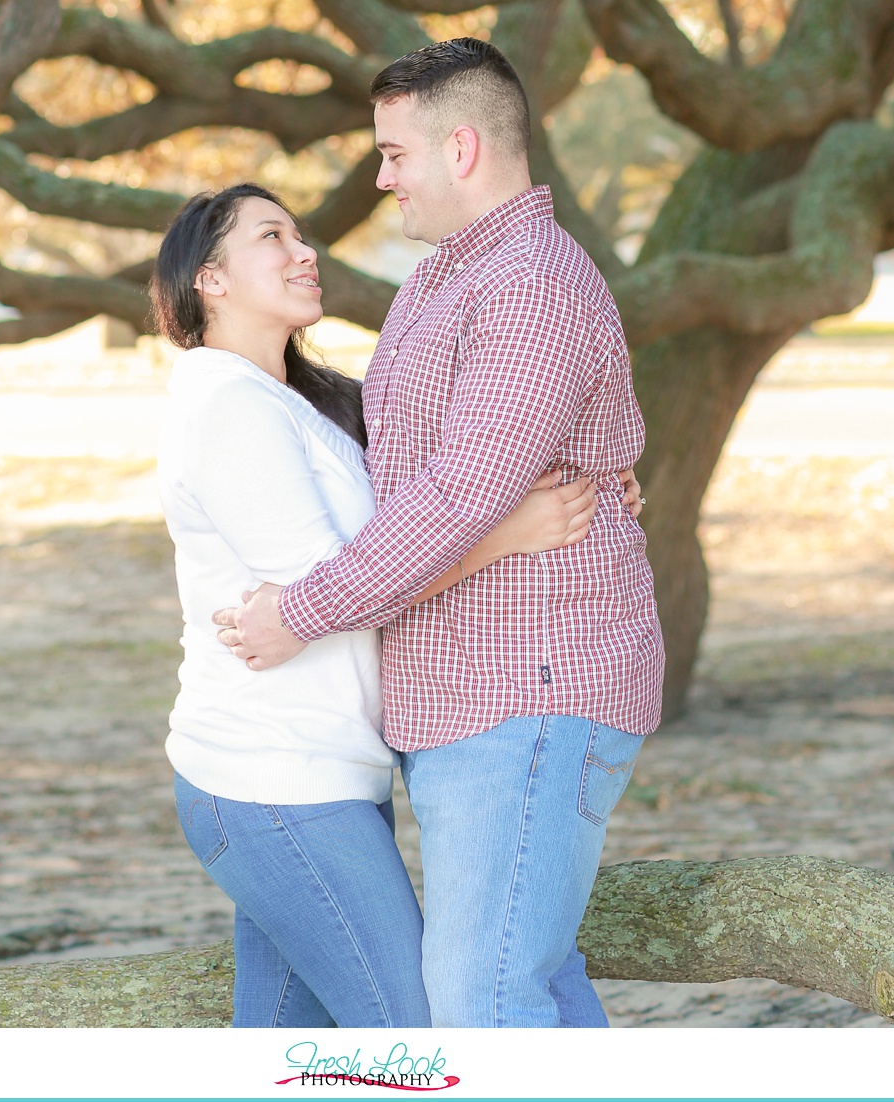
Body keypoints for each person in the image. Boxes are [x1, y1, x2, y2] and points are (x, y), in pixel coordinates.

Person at [218, 39, 664, 1029]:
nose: (379, 178)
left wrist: (303, 611)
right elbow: (419, 469)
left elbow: (456, 495)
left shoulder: (530, 289)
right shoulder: (439, 283)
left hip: (531, 690)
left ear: (460, 149)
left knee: (483, 991)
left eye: (394, 155)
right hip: (467, 697)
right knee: (525, 977)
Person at [151, 181, 620, 1030]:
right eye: (272, 238)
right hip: (272, 780)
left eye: (301, 235)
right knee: (418, 1035)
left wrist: (600, 471)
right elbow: (338, 588)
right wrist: (507, 534)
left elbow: (447, 475)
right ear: (208, 280)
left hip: (325, 773)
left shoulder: (302, 400)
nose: (305, 252)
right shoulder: (225, 404)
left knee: (292, 1051)